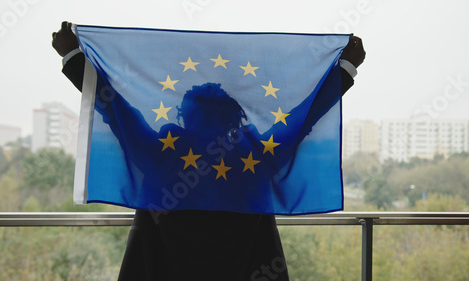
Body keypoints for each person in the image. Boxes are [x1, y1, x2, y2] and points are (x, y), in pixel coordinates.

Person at [52, 21, 365, 281]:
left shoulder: (160, 154)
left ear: (183, 118)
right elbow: (303, 119)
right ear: (232, 118)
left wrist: (74, 56)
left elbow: (116, 109)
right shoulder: (257, 157)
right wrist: (345, 68)